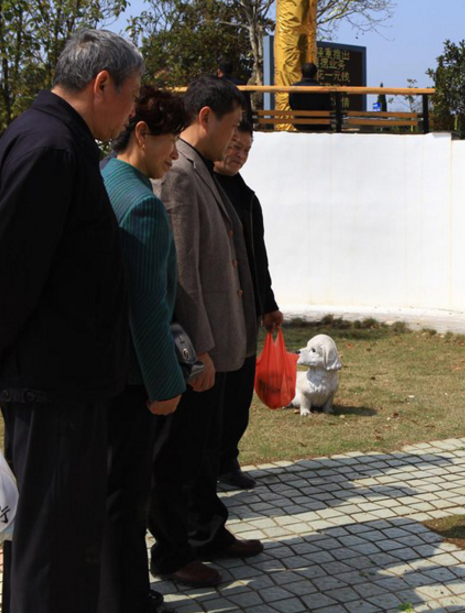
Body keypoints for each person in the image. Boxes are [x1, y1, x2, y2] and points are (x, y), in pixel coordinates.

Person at [0, 29, 142, 613]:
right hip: (50, 389)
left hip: (68, 385)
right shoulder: (50, 148)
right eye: (131, 96)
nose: (134, 111)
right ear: (101, 83)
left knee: (66, 542)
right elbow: (10, 276)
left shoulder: (60, 140)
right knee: (49, 550)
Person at [149, 75, 261, 588]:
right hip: (200, 349)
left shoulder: (201, 171)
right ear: (206, 118)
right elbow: (182, 274)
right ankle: (175, 551)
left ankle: (208, 532)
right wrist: (199, 351)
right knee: (179, 457)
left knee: (202, 450)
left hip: (217, 343)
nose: (234, 139)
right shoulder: (180, 174)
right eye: (232, 126)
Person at [99, 86, 188, 613]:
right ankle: (126, 597)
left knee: (109, 491)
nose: (174, 155)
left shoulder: (104, 178)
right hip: (132, 378)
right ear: (141, 135)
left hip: (100, 370)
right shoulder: (142, 206)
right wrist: (165, 385)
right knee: (127, 496)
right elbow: (147, 308)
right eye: (170, 142)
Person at [214, 121, 283, 490]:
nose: (238, 155)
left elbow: (259, 259)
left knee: (239, 392)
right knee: (213, 395)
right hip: (213, 310)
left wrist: (268, 304)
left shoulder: (248, 198)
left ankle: (227, 460)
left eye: (246, 150)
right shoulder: (200, 186)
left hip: (245, 311)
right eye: (233, 145)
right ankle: (205, 464)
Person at [289, 62, 333, 132]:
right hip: (320, 125)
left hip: (300, 124)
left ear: (302, 74)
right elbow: (328, 108)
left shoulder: (294, 88)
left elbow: (292, 106)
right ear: (315, 75)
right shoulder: (323, 89)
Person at [217, 57, 253, 124]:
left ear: (219, 71)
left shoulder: (215, 85)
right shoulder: (241, 85)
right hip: (240, 123)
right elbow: (247, 108)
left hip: (220, 122)